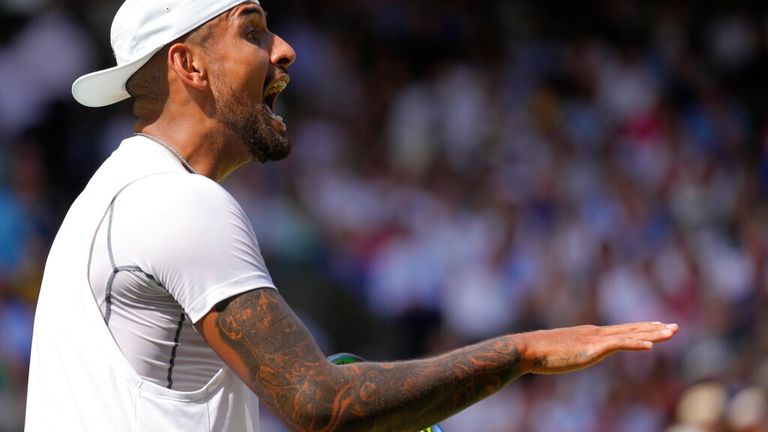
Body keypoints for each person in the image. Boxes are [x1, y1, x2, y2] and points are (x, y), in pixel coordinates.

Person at [25, 0, 679, 431]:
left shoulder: (111, 198)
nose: (284, 50)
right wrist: (524, 350)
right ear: (188, 64)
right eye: (252, 32)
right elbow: (319, 403)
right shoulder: (178, 201)